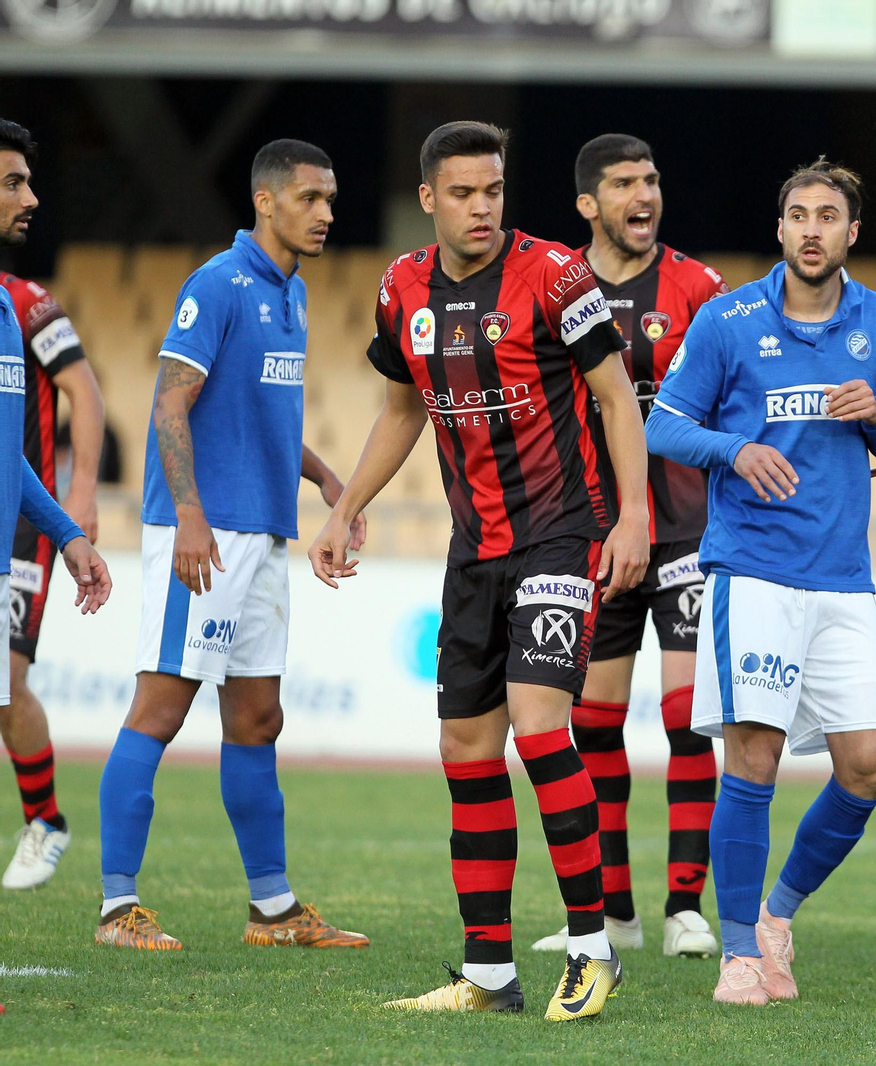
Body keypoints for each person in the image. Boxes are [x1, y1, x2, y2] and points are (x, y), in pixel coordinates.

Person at [307, 121, 650, 1021]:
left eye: (492, 190)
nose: (481, 207)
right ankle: (489, 974)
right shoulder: (400, 289)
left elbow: (615, 398)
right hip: (475, 547)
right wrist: (345, 508)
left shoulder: (553, 277)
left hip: (562, 532)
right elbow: (402, 410)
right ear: (428, 199)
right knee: (466, 748)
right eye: (462, 193)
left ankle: (590, 947)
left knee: (540, 729)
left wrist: (634, 518)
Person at [646, 159, 876, 1006]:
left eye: (828, 216)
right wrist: (736, 450)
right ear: (780, 228)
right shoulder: (729, 320)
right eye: (798, 213)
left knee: (869, 765)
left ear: (851, 233)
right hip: (754, 571)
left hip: (840, 579)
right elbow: (664, 422)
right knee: (753, 758)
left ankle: (775, 915)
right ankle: (736, 954)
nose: (811, 228)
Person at [95, 139, 367, 953]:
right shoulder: (216, 284)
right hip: (203, 535)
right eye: (311, 198)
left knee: (257, 717)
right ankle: (118, 910)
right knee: (162, 706)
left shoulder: (297, 294)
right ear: (267, 200)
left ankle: (274, 913)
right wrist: (188, 515)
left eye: (330, 199)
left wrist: (324, 478)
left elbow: (265, 419)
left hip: (263, 532)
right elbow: (170, 406)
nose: (325, 213)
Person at [529, 133, 726, 959]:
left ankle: (685, 906)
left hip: (683, 529)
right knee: (595, 726)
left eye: (651, 179)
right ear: (588, 205)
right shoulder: (557, 287)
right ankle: (616, 913)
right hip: (595, 534)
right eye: (623, 183)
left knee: (687, 719)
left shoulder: (697, 288)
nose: (644, 195)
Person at [0, 117, 106, 890]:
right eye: (13, 182)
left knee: (8, 681)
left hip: (18, 535)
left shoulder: (21, 307)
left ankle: (44, 817)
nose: (31, 197)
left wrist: (70, 524)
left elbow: (81, 395)